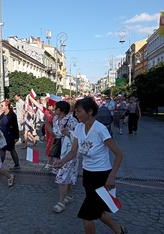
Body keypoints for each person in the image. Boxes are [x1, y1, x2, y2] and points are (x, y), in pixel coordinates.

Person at [54, 97, 125, 234]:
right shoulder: (78, 128)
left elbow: (119, 155)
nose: (76, 114)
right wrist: (61, 161)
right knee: (98, 211)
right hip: (88, 175)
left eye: (79, 111)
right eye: (75, 111)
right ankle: (119, 229)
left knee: (86, 216)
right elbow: (73, 152)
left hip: (102, 176)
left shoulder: (100, 129)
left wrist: (111, 177)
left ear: (90, 112)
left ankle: (118, 229)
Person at [52, 101, 79, 213]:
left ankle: (61, 202)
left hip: (69, 151)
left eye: (56, 108)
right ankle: (67, 196)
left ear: (61, 110)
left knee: (62, 176)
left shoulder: (72, 120)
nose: (54, 110)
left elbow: (78, 137)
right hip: (59, 148)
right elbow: (55, 132)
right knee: (65, 174)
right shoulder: (55, 119)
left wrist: (68, 133)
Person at [28, 95, 55, 169]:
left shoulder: (56, 115)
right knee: (49, 148)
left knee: (50, 149)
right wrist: (30, 98)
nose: (49, 107)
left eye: (50, 106)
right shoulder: (46, 111)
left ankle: (51, 163)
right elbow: (38, 105)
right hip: (47, 133)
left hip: (53, 134)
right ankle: (51, 163)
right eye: (48, 105)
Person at [0, 99, 20, 170]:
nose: (0, 107)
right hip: (2, 135)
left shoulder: (12, 115)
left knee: (11, 150)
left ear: (7, 106)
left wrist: (16, 137)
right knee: (3, 149)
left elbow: (15, 126)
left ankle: (16, 165)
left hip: (9, 136)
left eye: (2, 105)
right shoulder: (2, 115)